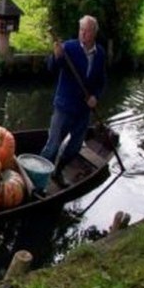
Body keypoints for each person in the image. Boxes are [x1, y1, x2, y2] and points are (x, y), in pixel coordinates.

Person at [40, 15, 106, 183]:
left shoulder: (100, 53)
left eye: (87, 30)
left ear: (94, 33)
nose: (83, 34)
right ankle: (38, 177)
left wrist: (95, 97)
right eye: (81, 29)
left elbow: (101, 81)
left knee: (75, 147)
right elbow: (51, 67)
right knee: (53, 145)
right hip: (64, 106)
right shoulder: (68, 47)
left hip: (84, 110)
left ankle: (58, 171)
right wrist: (56, 56)